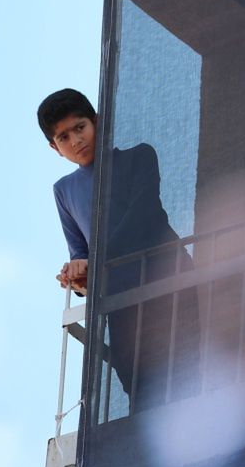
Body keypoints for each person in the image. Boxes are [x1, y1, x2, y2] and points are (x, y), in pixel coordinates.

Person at [39, 88, 198, 411]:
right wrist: (78, 275)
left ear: (98, 121)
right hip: (121, 294)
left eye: (80, 128)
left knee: (187, 361)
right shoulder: (64, 191)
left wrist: (94, 262)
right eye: (64, 137)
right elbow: (79, 249)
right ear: (55, 148)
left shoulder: (139, 156)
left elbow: (145, 214)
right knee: (137, 377)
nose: (76, 141)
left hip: (166, 274)